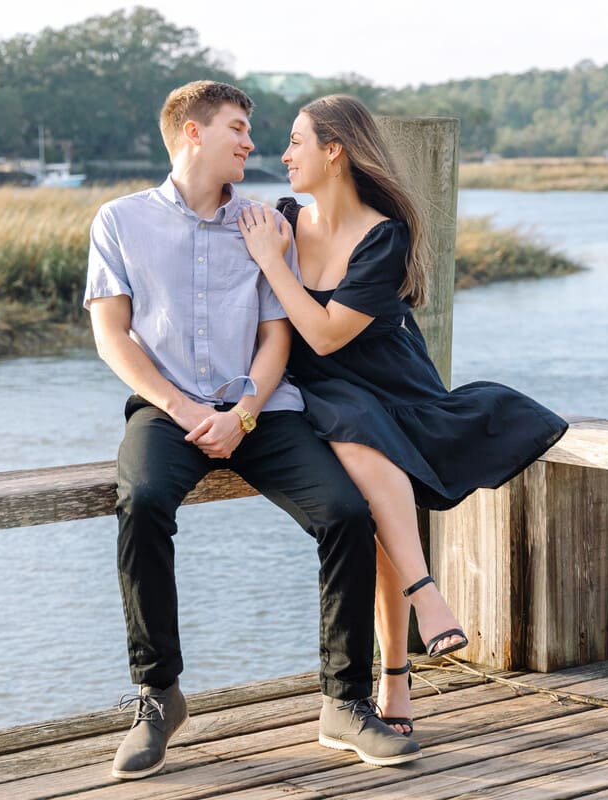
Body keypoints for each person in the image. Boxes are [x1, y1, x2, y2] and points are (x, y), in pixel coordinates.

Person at [85, 81, 421, 781]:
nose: (251, 143)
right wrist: (184, 412)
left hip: (262, 410)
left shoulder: (267, 224)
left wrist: (240, 414)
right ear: (192, 134)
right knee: (142, 504)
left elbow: (278, 338)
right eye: (238, 128)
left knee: (345, 515)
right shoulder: (119, 221)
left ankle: (346, 702)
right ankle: (158, 697)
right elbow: (114, 339)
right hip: (165, 409)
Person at [239, 94, 568, 736]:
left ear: (334, 151)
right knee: (361, 458)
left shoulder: (383, 235)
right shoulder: (278, 220)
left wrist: (272, 267)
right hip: (323, 390)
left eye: (297, 141)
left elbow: (331, 334)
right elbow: (291, 336)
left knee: (371, 465)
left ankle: (399, 662)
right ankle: (418, 618)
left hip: (393, 387)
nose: (283, 155)